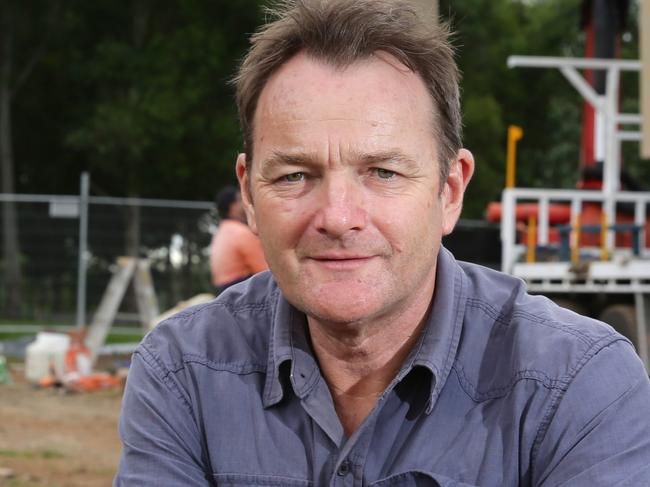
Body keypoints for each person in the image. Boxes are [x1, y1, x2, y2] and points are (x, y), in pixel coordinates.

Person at [115, 1, 650, 485]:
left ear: (450, 190)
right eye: (295, 175)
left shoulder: (578, 384)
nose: (338, 218)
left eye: (384, 172)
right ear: (248, 195)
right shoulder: (182, 371)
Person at [209, 185, 267, 292]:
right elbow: (264, 271)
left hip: (224, 291)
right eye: (241, 199)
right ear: (233, 206)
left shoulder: (222, 231)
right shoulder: (241, 232)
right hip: (240, 289)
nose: (246, 202)